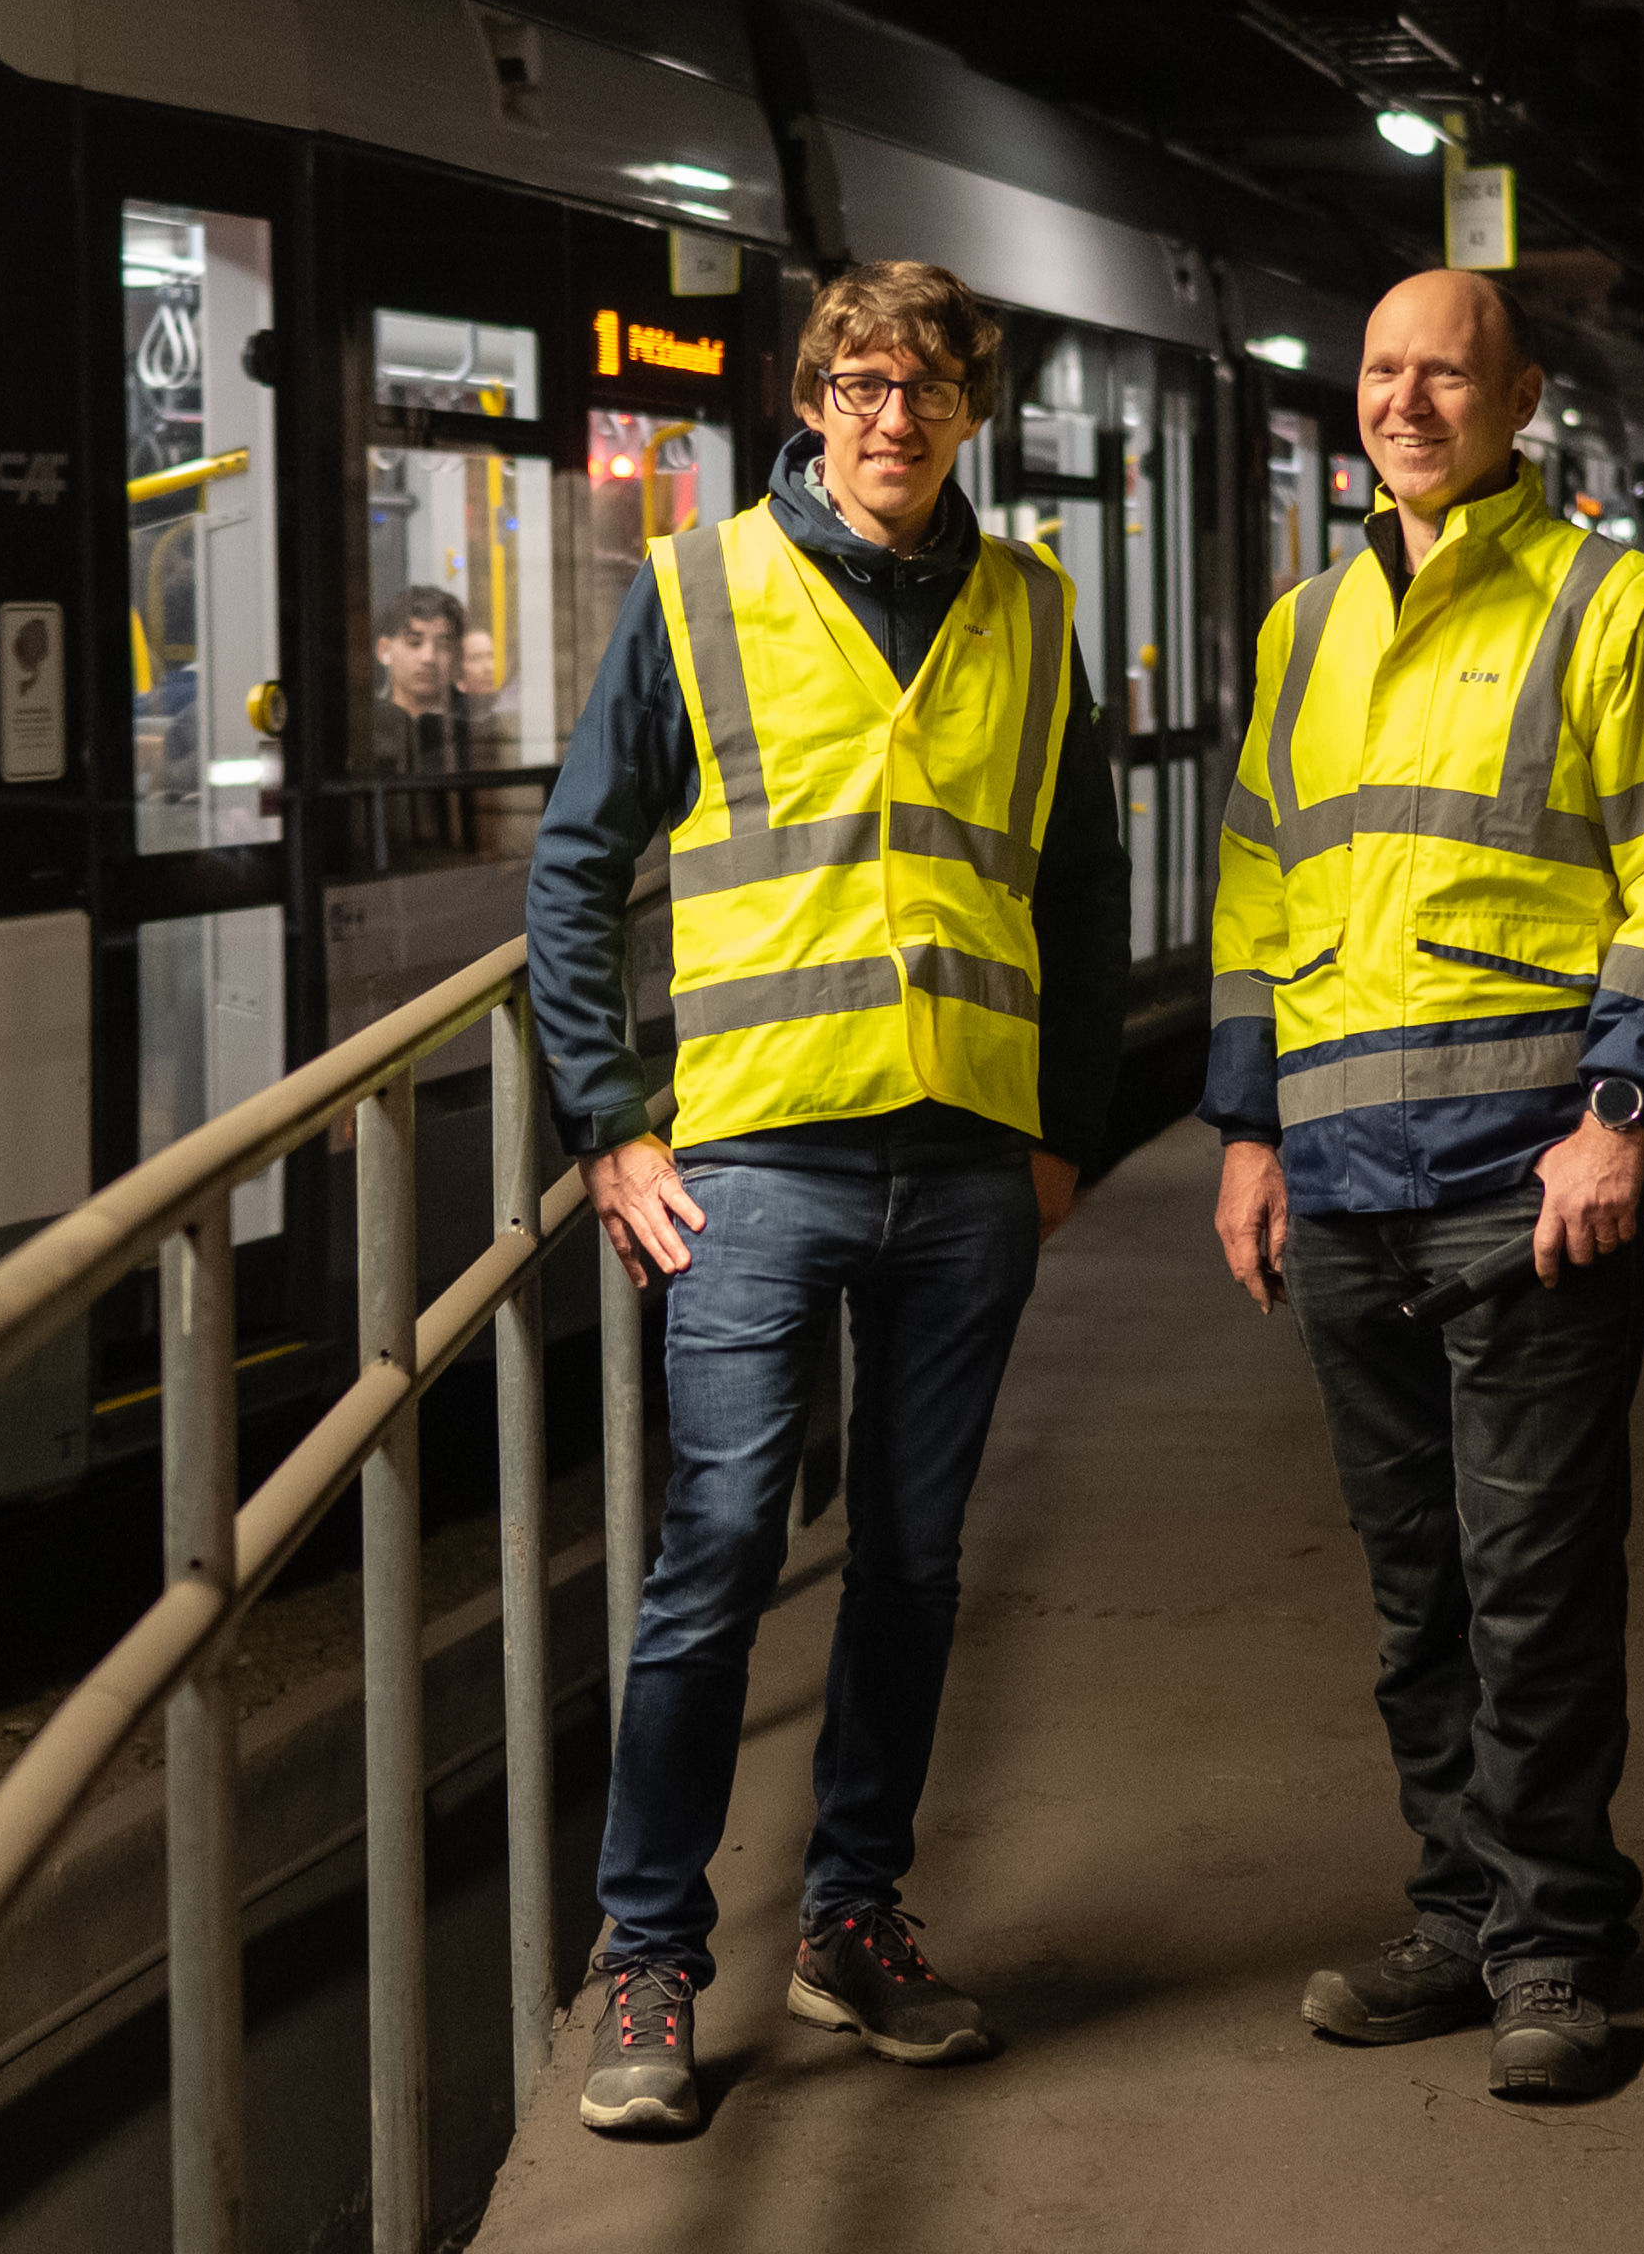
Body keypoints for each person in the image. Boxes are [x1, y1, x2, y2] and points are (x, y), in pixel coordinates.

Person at [526, 258, 1133, 2141]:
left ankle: (852, 1916)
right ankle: (650, 1949)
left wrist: (1062, 1134)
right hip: (757, 1159)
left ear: (972, 414)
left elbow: (1086, 888)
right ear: (811, 398)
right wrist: (615, 1128)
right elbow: (576, 865)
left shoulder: (1031, 609)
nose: (893, 417)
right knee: (714, 1556)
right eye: (861, 383)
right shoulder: (698, 588)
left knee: (916, 1558)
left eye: (929, 390)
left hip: (965, 1159)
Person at [1207, 270, 1644, 2102]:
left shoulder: (1616, 605)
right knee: (1414, 1588)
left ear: (1520, 395)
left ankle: (1553, 1940)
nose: (1406, 397)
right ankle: (1456, 1909)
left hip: (1525, 1183)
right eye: (1380, 368)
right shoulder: (1305, 631)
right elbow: (1258, 899)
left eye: (1445, 369)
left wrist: (1621, 1110)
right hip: (1346, 1180)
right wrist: (1246, 1128)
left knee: (1529, 1578)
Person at [369, 580, 477, 853]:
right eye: (414, 642)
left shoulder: (473, 731)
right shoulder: (366, 732)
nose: (429, 657)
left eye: (442, 644)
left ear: (456, 655)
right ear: (384, 650)